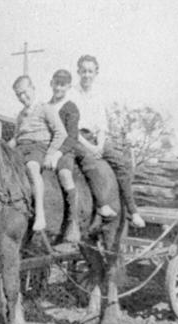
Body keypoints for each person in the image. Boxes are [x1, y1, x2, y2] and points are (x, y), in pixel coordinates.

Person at [71, 54, 146, 228]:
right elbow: (72, 127)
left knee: (123, 164)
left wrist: (99, 145)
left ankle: (132, 211)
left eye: (90, 71)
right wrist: (90, 147)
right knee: (88, 165)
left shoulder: (98, 95)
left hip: (97, 139)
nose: (87, 75)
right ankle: (98, 206)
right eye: (84, 71)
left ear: (96, 73)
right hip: (79, 138)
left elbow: (102, 127)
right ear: (78, 72)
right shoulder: (72, 94)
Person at [10, 75, 80, 241]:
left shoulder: (45, 108)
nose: (22, 97)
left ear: (33, 89)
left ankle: (40, 215)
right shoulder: (20, 115)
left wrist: (50, 154)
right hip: (21, 147)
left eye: (25, 92)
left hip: (38, 147)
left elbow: (61, 133)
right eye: (18, 95)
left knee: (32, 169)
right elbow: (16, 137)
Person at [48, 69, 117, 220]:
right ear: (51, 84)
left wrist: (59, 152)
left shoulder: (70, 106)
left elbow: (72, 134)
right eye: (56, 84)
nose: (58, 88)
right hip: (49, 144)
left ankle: (101, 204)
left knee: (87, 162)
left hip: (67, 145)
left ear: (68, 87)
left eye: (63, 85)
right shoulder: (46, 106)